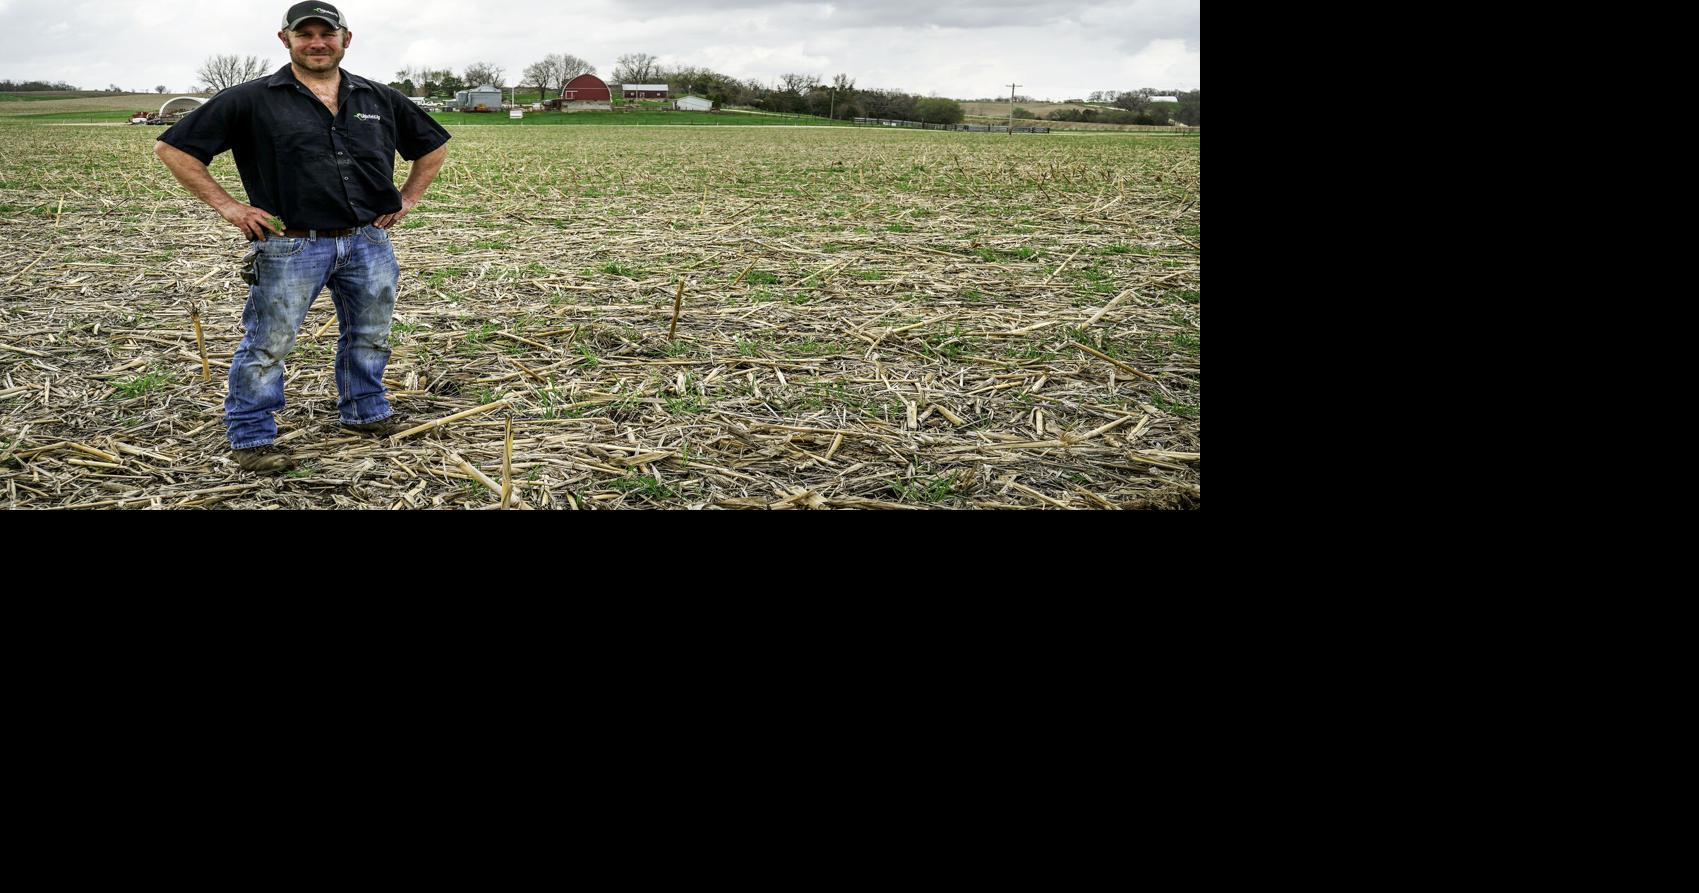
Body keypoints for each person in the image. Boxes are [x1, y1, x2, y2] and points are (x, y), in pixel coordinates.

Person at [153, 2, 450, 472]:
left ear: (345, 39)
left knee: (369, 335)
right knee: (269, 342)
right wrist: (230, 206)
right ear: (285, 39)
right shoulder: (250, 99)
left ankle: (365, 412)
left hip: (367, 241)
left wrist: (407, 199)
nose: (316, 42)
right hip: (289, 244)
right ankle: (251, 436)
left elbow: (433, 147)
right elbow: (173, 148)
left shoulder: (378, 98)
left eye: (326, 34)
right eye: (304, 34)